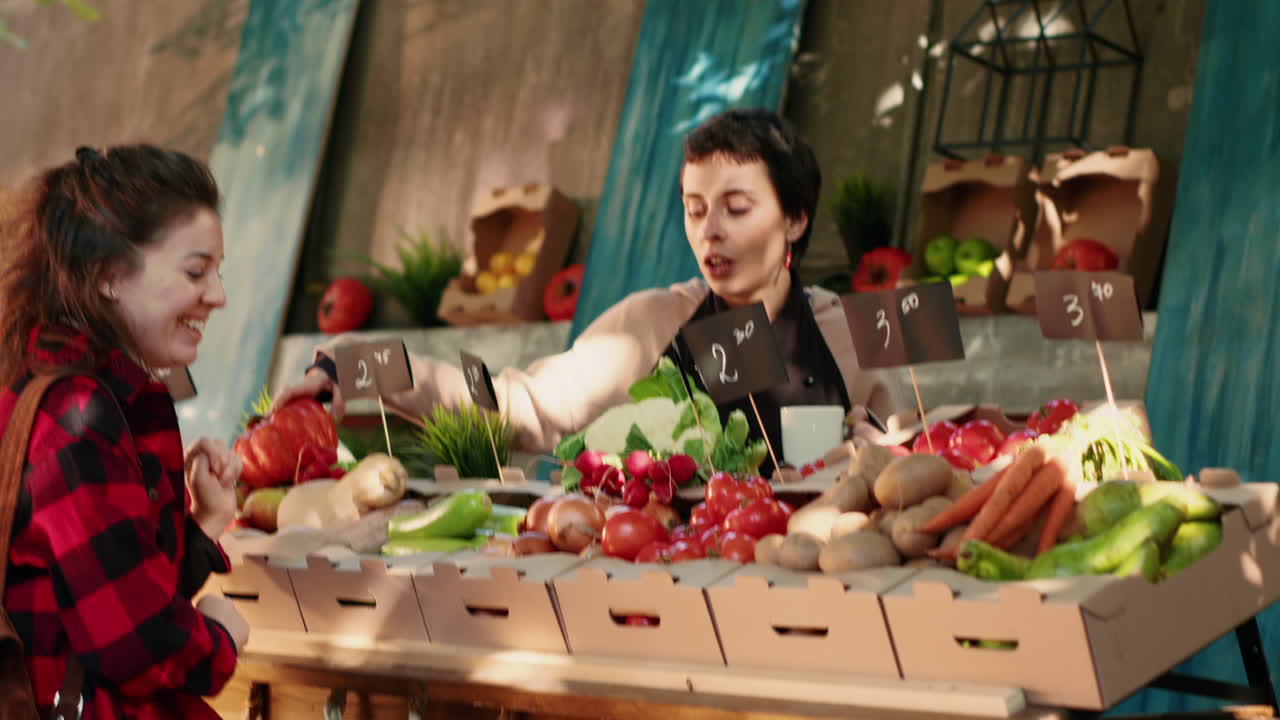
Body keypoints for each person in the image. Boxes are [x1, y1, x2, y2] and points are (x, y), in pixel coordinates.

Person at [275, 109, 901, 470]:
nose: (710, 232)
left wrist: (876, 455)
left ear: (795, 219)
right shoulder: (651, 323)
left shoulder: (851, 330)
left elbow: (910, 451)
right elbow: (508, 400)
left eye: (736, 208)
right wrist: (356, 363)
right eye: (694, 208)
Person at [0, 145, 248, 719]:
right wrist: (221, 642)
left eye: (218, 270)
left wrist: (205, 523)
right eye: (195, 271)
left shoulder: (79, 392)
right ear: (111, 275)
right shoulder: (77, 413)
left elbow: (110, 588)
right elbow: (131, 645)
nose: (218, 295)